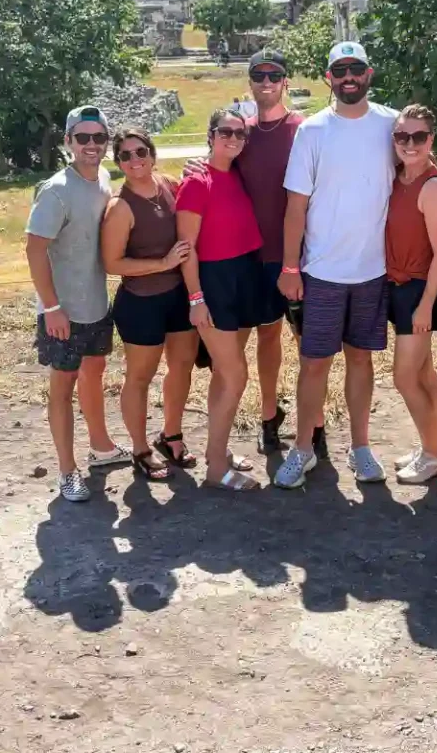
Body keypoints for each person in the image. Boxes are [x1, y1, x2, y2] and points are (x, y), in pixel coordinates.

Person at [184, 49, 325, 457]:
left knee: (308, 348)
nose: (266, 82)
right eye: (258, 76)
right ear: (249, 82)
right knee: (262, 338)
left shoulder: (304, 129)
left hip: (300, 257)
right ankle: (268, 416)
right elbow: (215, 166)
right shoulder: (239, 132)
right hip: (250, 260)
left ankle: (314, 424)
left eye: (274, 75)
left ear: (285, 80)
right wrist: (195, 166)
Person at [274, 41, 398, 489]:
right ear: (329, 77)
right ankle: (303, 448)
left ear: (369, 73)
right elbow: (295, 206)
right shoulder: (312, 131)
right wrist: (290, 267)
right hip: (322, 271)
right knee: (314, 363)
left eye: (356, 68)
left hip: (373, 270)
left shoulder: (391, 124)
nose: (349, 76)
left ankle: (361, 448)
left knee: (361, 360)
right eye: (340, 69)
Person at [25, 105, 131, 502]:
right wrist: (52, 308)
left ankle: (101, 448)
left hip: (96, 305)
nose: (91, 145)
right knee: (62, 386)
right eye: (82, 138)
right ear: (68, 142)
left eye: (98, 137)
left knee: (95, 370)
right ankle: (67, 472)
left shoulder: (103, 178)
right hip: (63, 313)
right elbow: (35, 250)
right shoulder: (55, 191)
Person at [101, 127, 198, 482]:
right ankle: (141, 449)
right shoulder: (120, 207)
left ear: (152, 154)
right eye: (125, 155)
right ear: (119, 163)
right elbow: (112, 264)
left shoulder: (169, 185)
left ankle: (171, 435)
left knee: (182, 366)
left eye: (140, 151)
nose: (134, 160)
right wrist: (162, 264)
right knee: (140, 377)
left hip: (177, 297)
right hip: (141, 303)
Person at [176, 108, 263, 491]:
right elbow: (187, 248)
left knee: (224, 375)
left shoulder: (237, 174)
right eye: (225, 131)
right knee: (236, 375)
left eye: (239, 133)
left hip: (244, 275)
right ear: (210, 135)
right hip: (213, 281)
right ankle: (214, 468)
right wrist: (196, 298)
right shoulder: (197, 182)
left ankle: (220, 452)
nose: (232, 138)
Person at [386, 104, 437, 483]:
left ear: (431, 139)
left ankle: (433, 454)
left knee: (405, 378)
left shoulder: (433, 186)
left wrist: (427, 304)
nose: (409, 144)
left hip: (418, 291)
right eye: (401, 136)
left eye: (417, 137)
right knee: (425, 375)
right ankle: (434, 446)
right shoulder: (398, 178)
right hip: (396, 287)